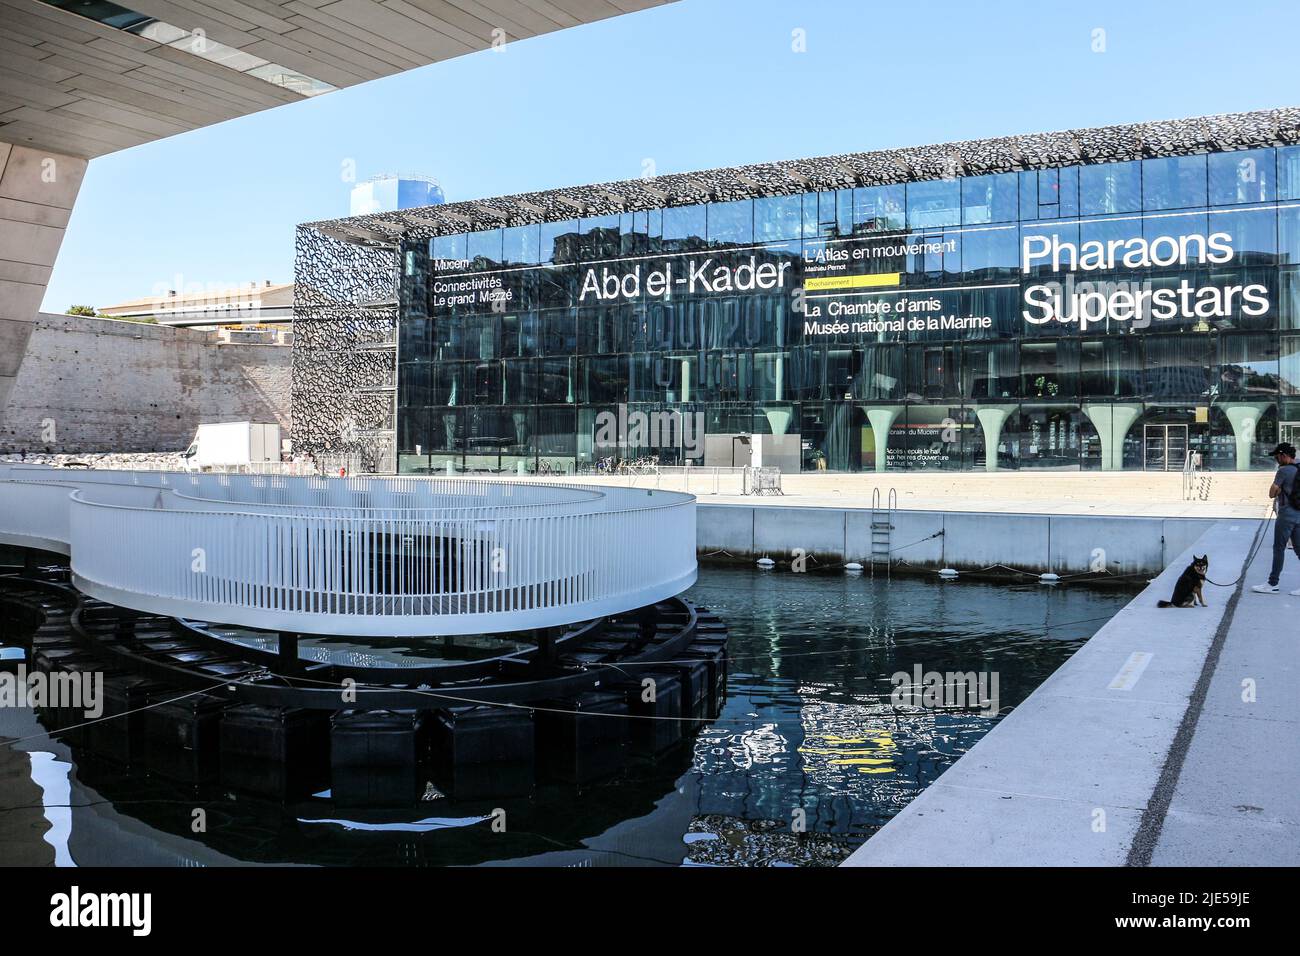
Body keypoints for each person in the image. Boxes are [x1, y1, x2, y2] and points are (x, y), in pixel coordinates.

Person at [1252, 441, 1300, 594]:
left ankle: (1273, 584)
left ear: (1284, 456)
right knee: (1299, 550)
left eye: (1277, 457)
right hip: (1299, 514)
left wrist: (1280, 489)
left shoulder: (1283, 471)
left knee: (1279, 548)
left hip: (1286, 514)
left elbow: (1272, 493)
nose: (1276, 460)